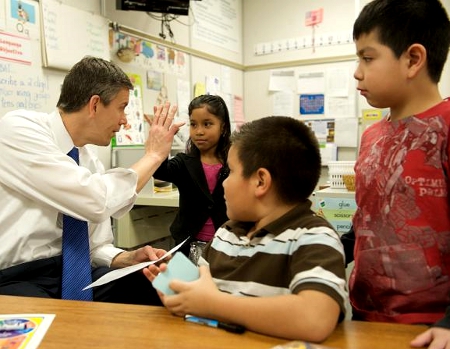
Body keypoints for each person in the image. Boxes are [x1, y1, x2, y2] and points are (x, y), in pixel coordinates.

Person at [144, 116, 347, 342]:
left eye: (230, 172)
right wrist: (180, 293)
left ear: (260, 181)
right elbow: (203, 298)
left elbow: (314, 319)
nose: (224, 183)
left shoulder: (314, 237)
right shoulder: (225, 235)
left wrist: (213, 304)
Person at [0, 56, 183, 304]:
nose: (125, 120)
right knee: (51, 327)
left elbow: (96, 246)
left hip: (75, 272)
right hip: (18, 276)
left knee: (166, 285)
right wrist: (153, 156)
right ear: (95, 105)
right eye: (122, 107)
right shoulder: (18, 130)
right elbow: (95, 200)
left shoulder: (87, 157)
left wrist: (127, 258)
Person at [348, 0, 450, 348]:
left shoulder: (447, 128)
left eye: (368, 57)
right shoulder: (372, 136)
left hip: (433, 326)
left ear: (412, 59)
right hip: (365, 316)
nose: (357, 72)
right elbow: (365, 220)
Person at [150, 94, 231, 256]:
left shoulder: (234, 161)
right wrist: (161, 144)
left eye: (207, 124)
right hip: (187, 243)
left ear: (222, 127)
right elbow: (160, 171)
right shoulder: (184, 162)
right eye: (194, 125)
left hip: (225, 243)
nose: (199, 131)